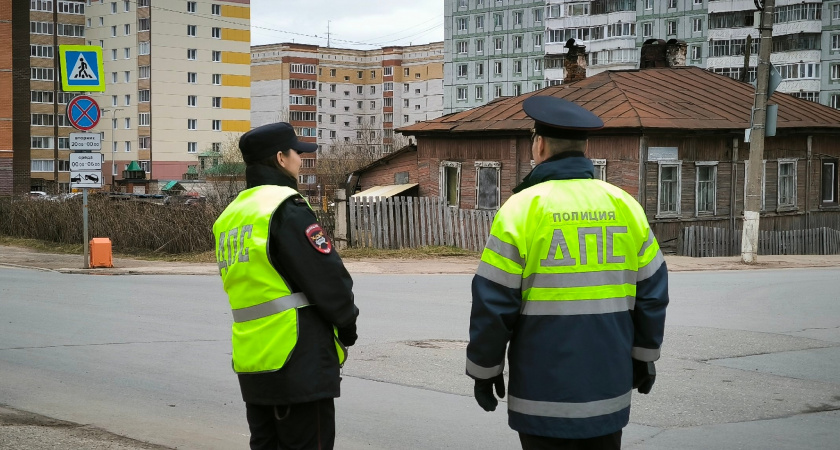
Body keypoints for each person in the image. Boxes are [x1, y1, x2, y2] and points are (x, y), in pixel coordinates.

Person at [466, 96, 669, 449]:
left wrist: (485, 371)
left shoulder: (521, 209)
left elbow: (493, 305)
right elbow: (653, 293)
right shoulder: (624, 205)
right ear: (583, 148)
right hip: (609, 389)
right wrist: (643, 357)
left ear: (540, 145)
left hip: (542, 397)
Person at [213, 122, 359, 450]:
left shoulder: (231, 217)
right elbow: (328, 279)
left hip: (253, 364)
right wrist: (347, 326)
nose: (301, 160)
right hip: (298, 361)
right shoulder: (284, 207)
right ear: (280, 158)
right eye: (297, 154)